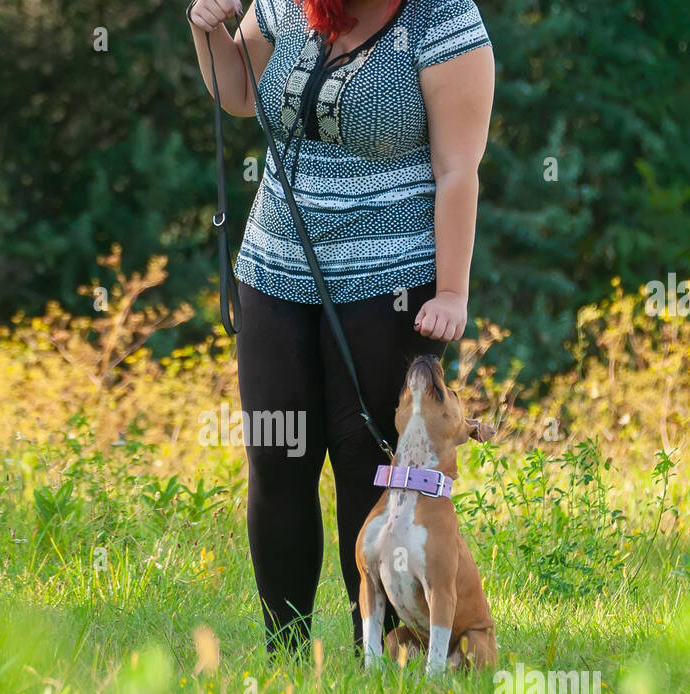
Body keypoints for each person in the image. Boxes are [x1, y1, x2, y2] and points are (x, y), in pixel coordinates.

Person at [186, 0, 495, 654]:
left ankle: (376, 653)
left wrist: (452, 291)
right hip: (274, 268)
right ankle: (288, 652)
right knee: (278, 458)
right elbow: (238, 94)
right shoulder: (284, 5)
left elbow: (458, 169)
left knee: (370, 465)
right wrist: (204, 27)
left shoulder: (442, 17)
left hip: (391, 284)